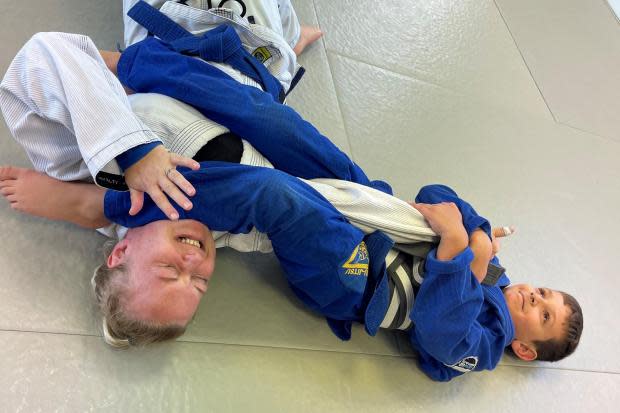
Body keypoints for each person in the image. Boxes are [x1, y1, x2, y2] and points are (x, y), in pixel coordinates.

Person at [0, 14, 583, 384]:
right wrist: (474, 233)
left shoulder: (480, 347)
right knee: (273, 121)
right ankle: (132, 64)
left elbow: (436, 330)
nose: (534, 296)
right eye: (547, 294)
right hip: (372, 205)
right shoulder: (494, 266)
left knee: (277, 198)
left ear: (527, 349)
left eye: (543, 314)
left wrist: (460, 251)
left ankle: (97, 206)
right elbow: (435, 198)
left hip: (356, 279)